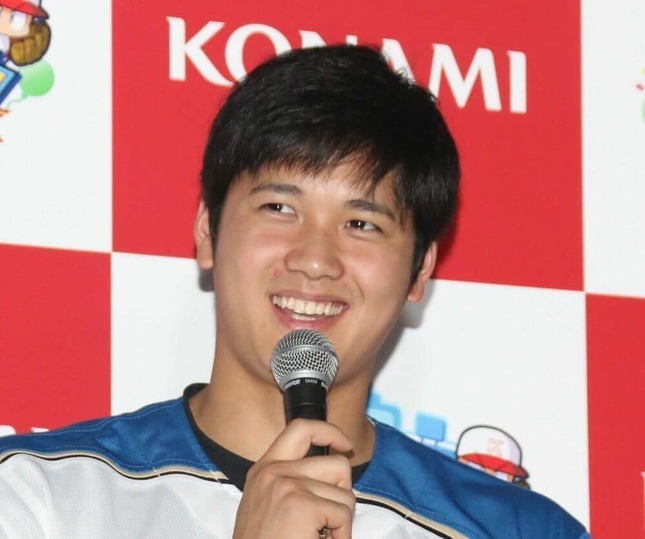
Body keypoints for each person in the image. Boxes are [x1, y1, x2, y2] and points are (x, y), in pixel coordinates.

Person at [0, 45, 589, 538]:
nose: (314, 259)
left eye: (361, 223)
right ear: (207, 231)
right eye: (280, 208)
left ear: (419, 270)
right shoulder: (37, 496)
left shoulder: (520, 530)